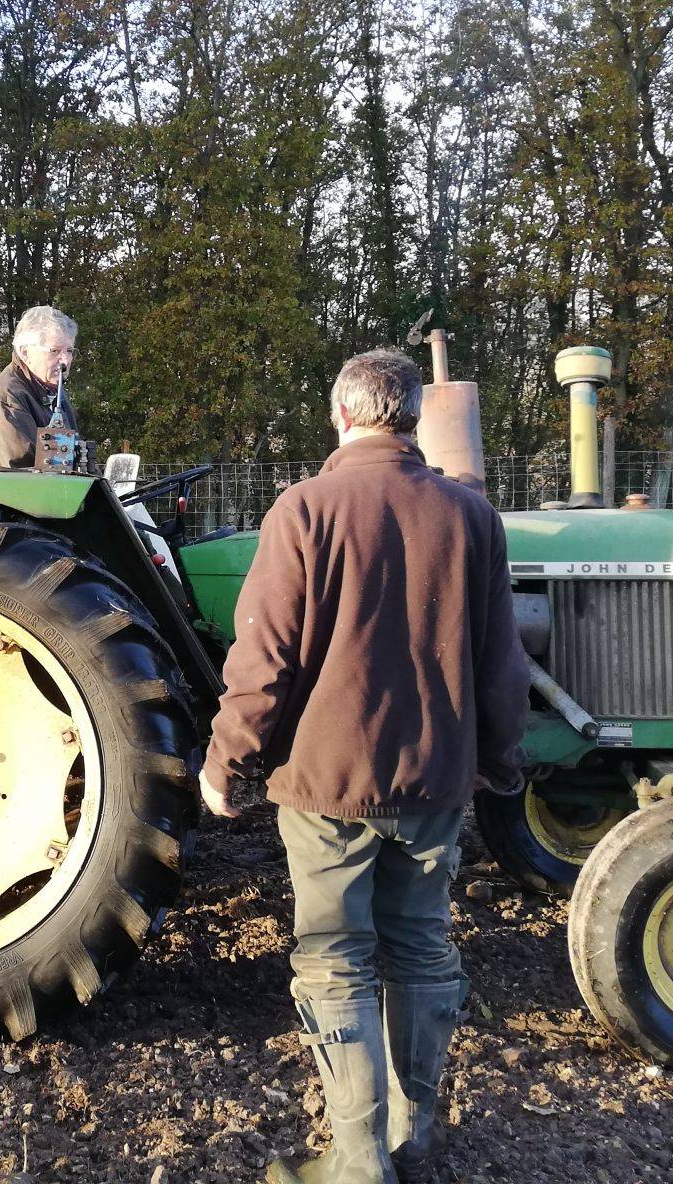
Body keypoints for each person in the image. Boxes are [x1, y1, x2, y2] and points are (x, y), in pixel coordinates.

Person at [198, 348, 529, 1184]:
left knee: (335, 955)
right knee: (421, 947)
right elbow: (500, 662)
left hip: (326, 782)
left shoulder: (304, 508)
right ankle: (415, 1140)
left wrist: (226, 760)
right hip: (434, 778)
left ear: (341, 417)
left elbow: (263, 658)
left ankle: (355, 1159)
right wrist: (501, 759)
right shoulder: (471, 518)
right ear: (413, 417)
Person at [0, 306, 79, 468]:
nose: (65, 360)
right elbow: (18, 475)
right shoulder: (6, 399)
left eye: (69, 351)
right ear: (25, 353)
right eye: (54, 351)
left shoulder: (56, 396)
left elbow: (72, 461)